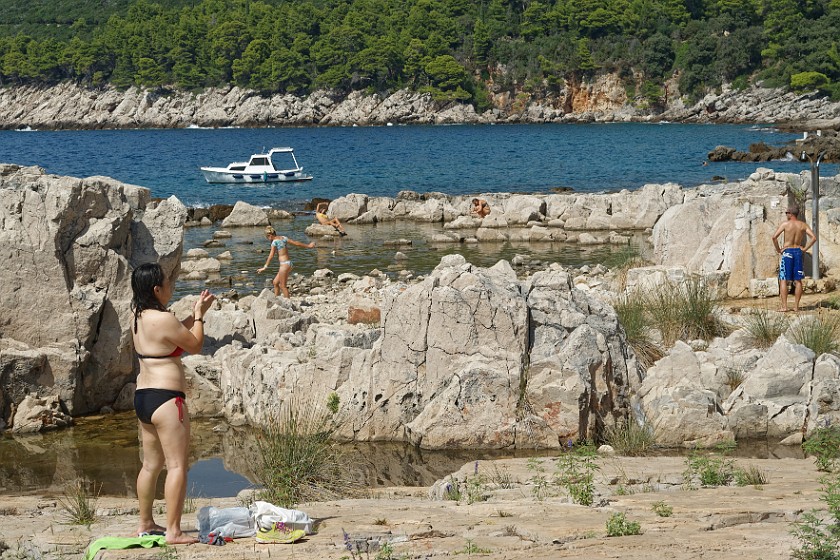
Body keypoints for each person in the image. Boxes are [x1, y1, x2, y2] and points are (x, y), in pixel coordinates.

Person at [130, 262, 215, 544]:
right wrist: (201, 318)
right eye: (167, 283)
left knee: (150, 465)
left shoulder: (138, 316)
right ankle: (174, 531)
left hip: (144, 398)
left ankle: (145, 523)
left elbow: (174, 336)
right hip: (167, 399)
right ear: (156, 289)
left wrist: (193, 314)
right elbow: (195, 345)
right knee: (177, 466)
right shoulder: (163, 319)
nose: (170, 286)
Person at [771, 205, 816, 312]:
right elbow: (814, 238)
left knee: (783, 279)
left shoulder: (785, 224)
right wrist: (804, 249)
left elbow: (774, 237)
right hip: (798, 252)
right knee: (798, 280)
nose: (786, 215)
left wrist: (779, 250)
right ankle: (796, 307)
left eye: (787, 213)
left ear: (791, 214)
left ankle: (785, 307)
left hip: (787, 252)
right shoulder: (803, 225)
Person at [257, 225, 316, 298]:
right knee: (275, 282)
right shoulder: (283, 238)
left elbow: (271, 256)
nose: (268, 239)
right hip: (289, 264)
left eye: (267, 237)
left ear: (269, 235)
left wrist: (264, 267)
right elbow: (296, 243)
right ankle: (277, 300)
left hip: (284, 265)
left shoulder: (274, 242)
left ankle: (288, 304)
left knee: (283, 286)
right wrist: (308, 246)